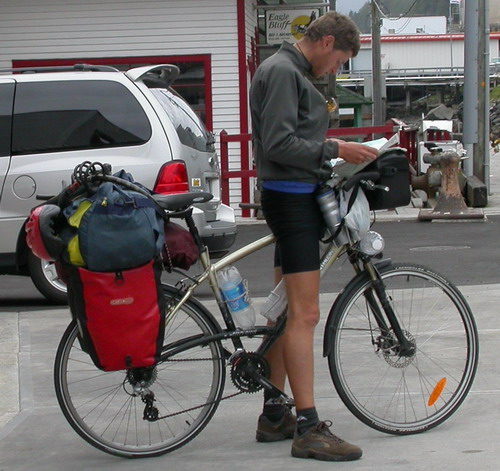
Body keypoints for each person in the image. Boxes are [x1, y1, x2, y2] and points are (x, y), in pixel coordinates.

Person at [249, 12, 378, 462]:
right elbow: (279, 142)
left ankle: (274, 412)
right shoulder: (284, 72)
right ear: (325, 42)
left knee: (285, 311)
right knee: (305, 314)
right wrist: (336, 148)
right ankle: (308, 426)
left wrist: (334, 153)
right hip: (291, 201)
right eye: (340, 60)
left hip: (292, 195)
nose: (337, 70)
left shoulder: (290, 70)